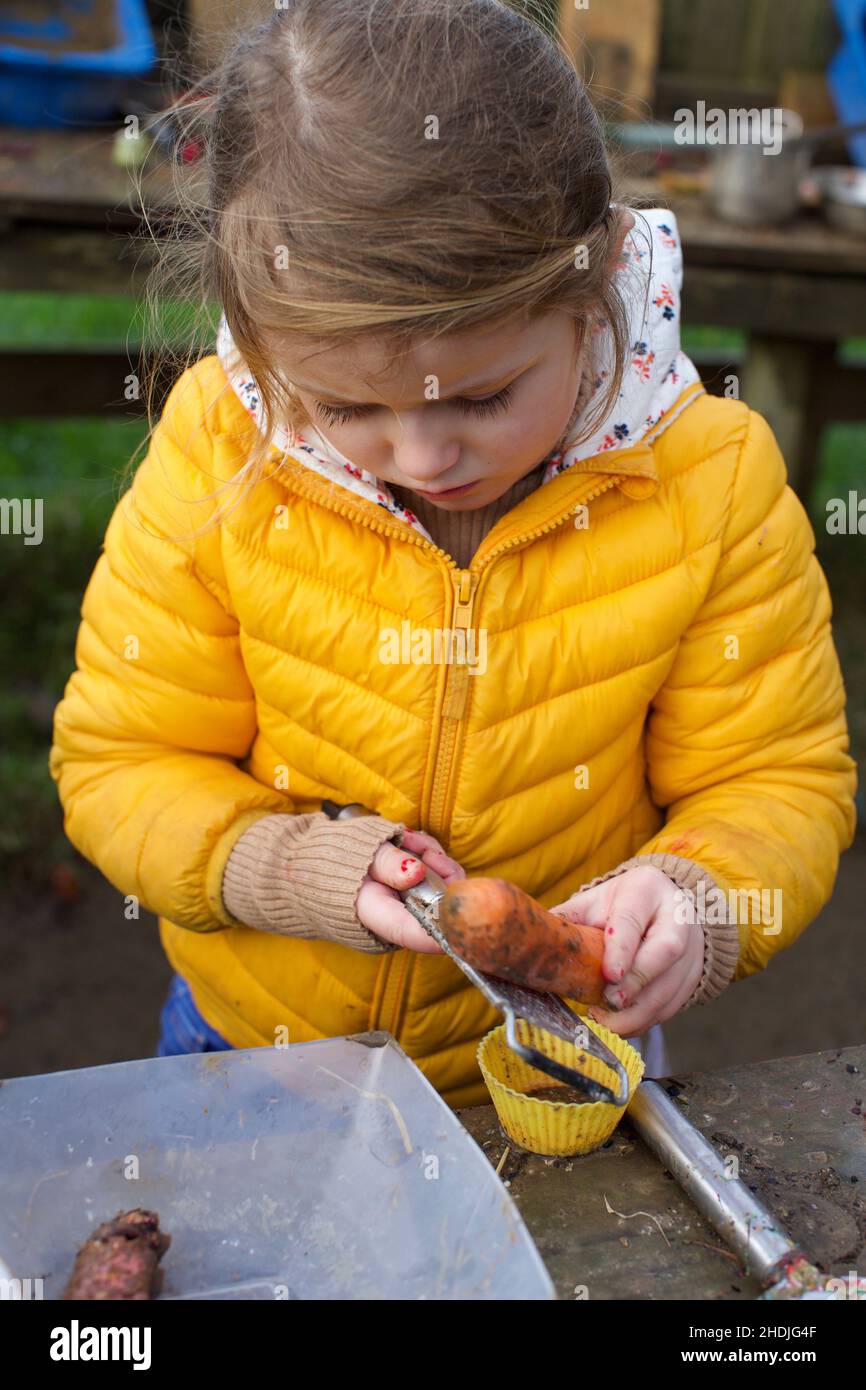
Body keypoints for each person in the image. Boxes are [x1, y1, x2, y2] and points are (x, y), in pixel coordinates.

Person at [49, 0, 856, 1107]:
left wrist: (700, 898)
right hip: (252, 1051)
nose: (426, 455)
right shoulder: (221, 451)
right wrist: (293, 868)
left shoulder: (706, 479)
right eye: (346, 405)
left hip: (553, 1063)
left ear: (598, 278)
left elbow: (776, 778)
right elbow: (120, 765)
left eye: (482, 394)